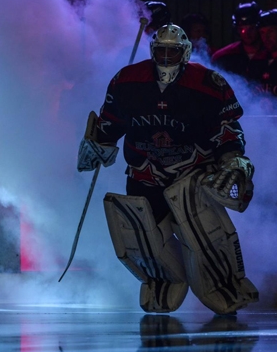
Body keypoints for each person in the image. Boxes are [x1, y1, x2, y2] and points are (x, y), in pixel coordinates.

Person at [78, 23, 258, 315]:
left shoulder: (208, 83)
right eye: (160, 51)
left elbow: (226, 129)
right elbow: (110, 122)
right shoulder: (127, 81)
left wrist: (233, 158)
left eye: (171, 52)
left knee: (202, 236)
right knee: (144, 240)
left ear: (185, 53)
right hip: (144, 174)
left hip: (193, 175)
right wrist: (99, 144)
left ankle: (226, 285)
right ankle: (160, 283)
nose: (165, 59)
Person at [211, 1, 263, 77]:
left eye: (251, 29)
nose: (247, 34)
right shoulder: (223, 57)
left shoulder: (272, 55)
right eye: (242, 29)